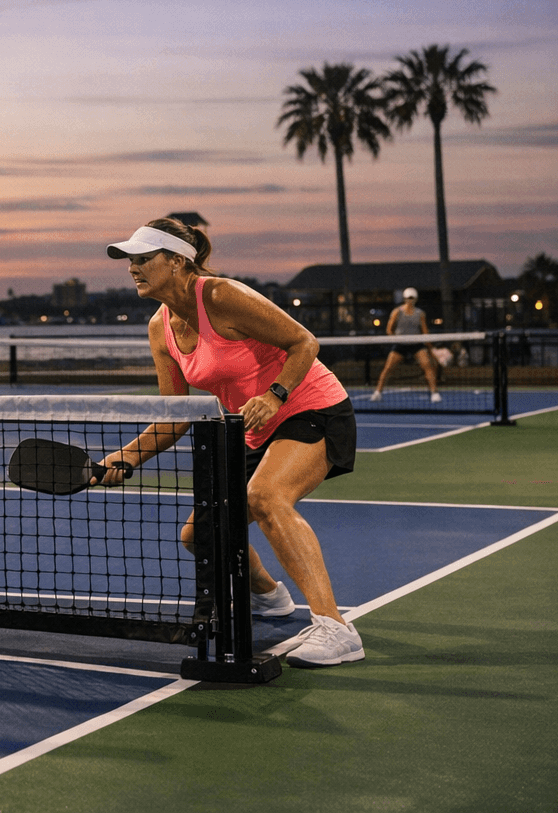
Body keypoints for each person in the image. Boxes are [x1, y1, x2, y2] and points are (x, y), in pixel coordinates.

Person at [100, 218, 364, 668]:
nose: (133, 269)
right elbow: (175, 417)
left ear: (177, 261)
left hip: (310, 407)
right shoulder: (159, 328)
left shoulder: (221, 295)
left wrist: (275, 393)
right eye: (131, 261)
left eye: (144, 259)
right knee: (200, 535)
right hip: (251, 428)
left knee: (265, 497)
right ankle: (270, 597)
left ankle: (336, 629)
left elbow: (304, 341)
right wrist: (126, 457)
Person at [370, 288, 441, 403]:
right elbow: (389, 329)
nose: (410, 300)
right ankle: (377, 393)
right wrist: (395, 339)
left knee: (427, 366)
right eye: (408, 298)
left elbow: (425, 331)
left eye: (412, 298)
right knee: (387, 368)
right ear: (404, 299)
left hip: (416, 344)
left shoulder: (420, 313)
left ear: (416, 299)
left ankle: (434, 393)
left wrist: (430, 347)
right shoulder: (397, 312)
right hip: (400, 345)